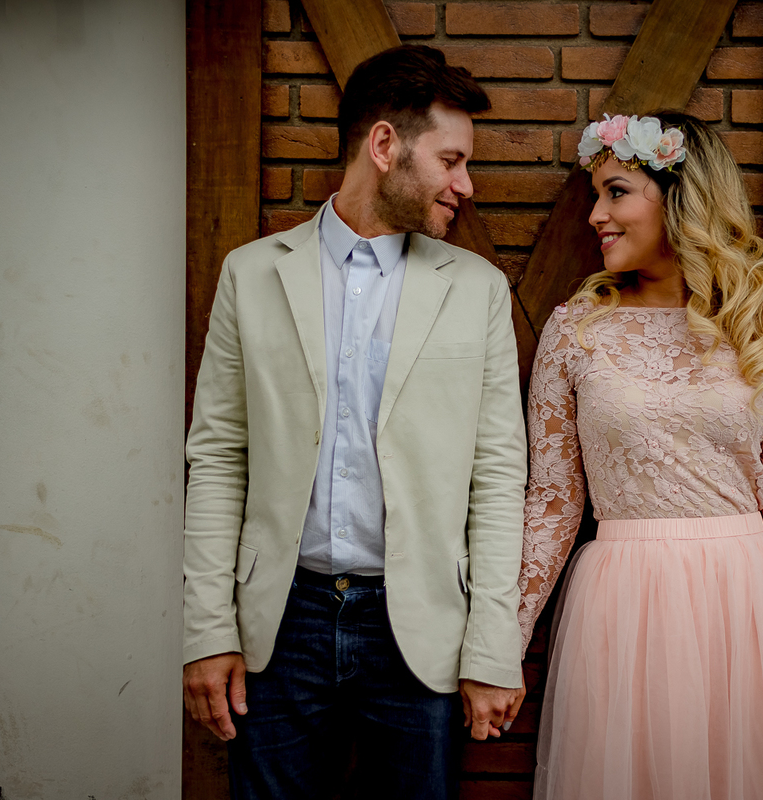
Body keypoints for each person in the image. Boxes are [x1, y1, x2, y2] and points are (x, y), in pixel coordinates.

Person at [181, 45, 528, 799]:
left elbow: (500, 478)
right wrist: (208, 631)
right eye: (451, 160)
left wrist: (493, 646)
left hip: (420, 629)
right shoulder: (252, 273)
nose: (464, 185)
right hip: (280, 625)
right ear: (384, 146)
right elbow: (218, 458)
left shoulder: (479, 291)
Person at [516, 112, 763, 799]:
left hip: (744, 605)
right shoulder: (577, 329)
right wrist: (503, 643)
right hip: (619, 602)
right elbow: (551, 503)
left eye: (616, 193)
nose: (596, 218)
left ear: (680, 199)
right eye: (595, 198)